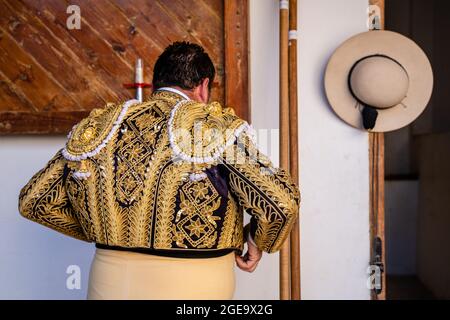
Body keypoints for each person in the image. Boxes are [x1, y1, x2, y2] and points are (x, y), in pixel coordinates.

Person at [18, 42, 300, 300]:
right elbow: (281, 204)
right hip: (195, 285)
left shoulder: (101, 127)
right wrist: (253, 239)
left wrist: (105, 227)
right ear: (203, 87)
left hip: (110, 282)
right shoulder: (214, 128)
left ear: (157, 84)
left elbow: (35, 201)